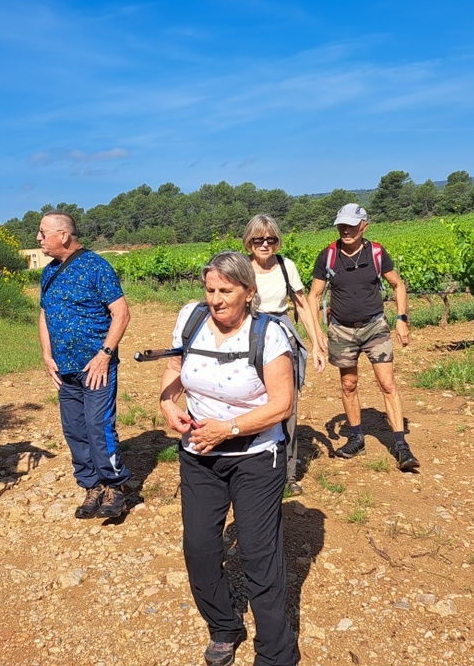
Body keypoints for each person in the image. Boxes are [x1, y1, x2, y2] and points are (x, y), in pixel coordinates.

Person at [159, 251, 299, 666]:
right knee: (199, 547)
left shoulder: (269, 333)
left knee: (259, 555)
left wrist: (230, 428)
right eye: (210, 289)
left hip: (256, 456)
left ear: (249, 292)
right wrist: (167, 402)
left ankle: (276, 653)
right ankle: (223, 625)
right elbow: (175, 366)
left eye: (226, 290)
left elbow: (283, 405)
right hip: (200, 455)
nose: (215, 299)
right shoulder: (191, 319)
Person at [305, 203, 420, 470]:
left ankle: (401, 445)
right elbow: (314, 295)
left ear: (364, 226)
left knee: (387, 384)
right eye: (341, 226)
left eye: (351, 226)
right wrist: (317, 333)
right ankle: (357, 438)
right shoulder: (328, 255)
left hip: (374, 327)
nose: (345, 230)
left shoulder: (376, 252)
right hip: (342, 329)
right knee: (349, 384)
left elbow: (398, 285)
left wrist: (402, 319)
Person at [37, 210, 132, 519]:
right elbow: (44, 314)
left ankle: (114, 487)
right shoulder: (48, 272)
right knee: (75, 430)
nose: (38, 238)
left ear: (63, 235)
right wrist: (47, 354)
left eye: (43, 233)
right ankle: (92, 487)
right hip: (64, 368)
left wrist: (105, 354)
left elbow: (121, 313)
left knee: (98, 425)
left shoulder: (96, 266)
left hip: (95, 367)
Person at [242, 214, 325, 496]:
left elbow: (301, 304)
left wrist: (315, 344)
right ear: (249, 241)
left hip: (281, 336)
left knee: (286, 406)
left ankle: (287, 474)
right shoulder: (241, 267)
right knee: (250, 402)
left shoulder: (286, 266)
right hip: (249, 335)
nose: (265, 244)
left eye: (270, 239)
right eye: (258, 239)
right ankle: (251, 466)